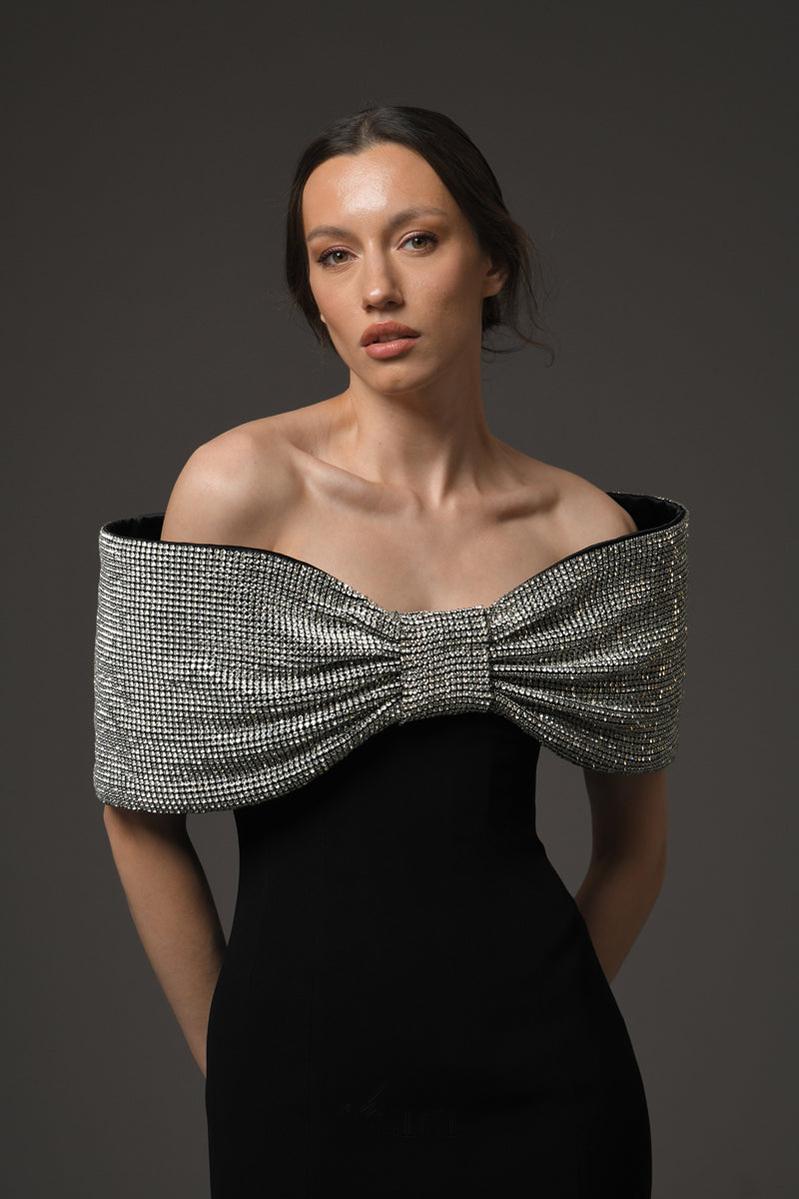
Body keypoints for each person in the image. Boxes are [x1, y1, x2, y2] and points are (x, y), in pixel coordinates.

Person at [94, 104, 689, 1198]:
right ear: (312, 291)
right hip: (293, 1090)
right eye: (335, 255)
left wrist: (552, 1018)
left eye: (416, 239)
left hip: (554, 1098)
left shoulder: (585, 531)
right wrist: (238, 1065)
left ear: (491, 260)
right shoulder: (235, 488)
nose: (377, 288)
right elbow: (137, 810)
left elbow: (634, 849)